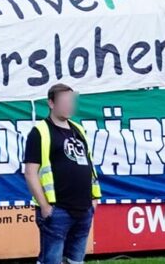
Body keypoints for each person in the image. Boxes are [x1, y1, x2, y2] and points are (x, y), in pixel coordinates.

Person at [23, 83, 99, 264]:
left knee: (76, 260)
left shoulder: (78, 130)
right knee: (51, 260)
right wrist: (45, 206)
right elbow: (30, 172)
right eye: (64, 101)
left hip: (84, 209)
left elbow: (89, 167)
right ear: (51, 103)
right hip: (57, 210)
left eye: (71, 101)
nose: (69, 105)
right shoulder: (40, 132)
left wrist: (94, 200)